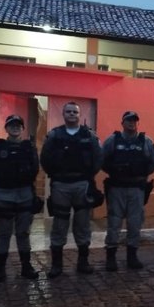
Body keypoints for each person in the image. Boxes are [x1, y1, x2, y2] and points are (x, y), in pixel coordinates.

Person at [40, 101, 103, 278]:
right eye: (68, 112)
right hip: (61, 185)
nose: (72, 114)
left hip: (82, 184)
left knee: (82, 224)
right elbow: (45, 159)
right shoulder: (54, 135)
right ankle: (57, 265)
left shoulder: (89, 135)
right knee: (60, 224)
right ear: (63, 114)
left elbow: (98, 158)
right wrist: (57, 176)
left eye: (75, 112)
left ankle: (83, 262)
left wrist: (88, 176)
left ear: (79, 114)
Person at [0, 114, 41, 283]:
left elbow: (35, 168)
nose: (15, 128)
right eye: (12, 125)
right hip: (4, 194)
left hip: (24, 194)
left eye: (18, 125)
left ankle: (26, 267)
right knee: (3, 233)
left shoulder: (29, 147)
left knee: (23, 233)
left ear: (22, 128)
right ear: (6, 128)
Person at [101, 111, 154, 271]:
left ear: (138, 123)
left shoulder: (146, 141)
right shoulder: (112, 140)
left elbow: (153, 162)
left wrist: (140, 174)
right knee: (114, 223)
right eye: (128, 120)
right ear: (122, 122)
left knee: (135, 223)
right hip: (117, 188)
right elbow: (102, 161)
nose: (131, 123)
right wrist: (117, 172)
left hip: (136, 189)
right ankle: (110, 257)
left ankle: (132, 256)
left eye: (134, 120)